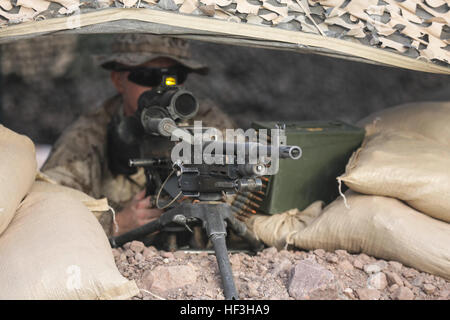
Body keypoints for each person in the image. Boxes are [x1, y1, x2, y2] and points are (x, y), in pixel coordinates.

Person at [41, 34, 236, 238]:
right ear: (118, 80)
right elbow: (46, 206)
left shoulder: (207, 124)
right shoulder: (89, 134)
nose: (163, 87)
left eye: (175, 76)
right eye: (147, 76)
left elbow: (251, 194)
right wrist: (115, 222)